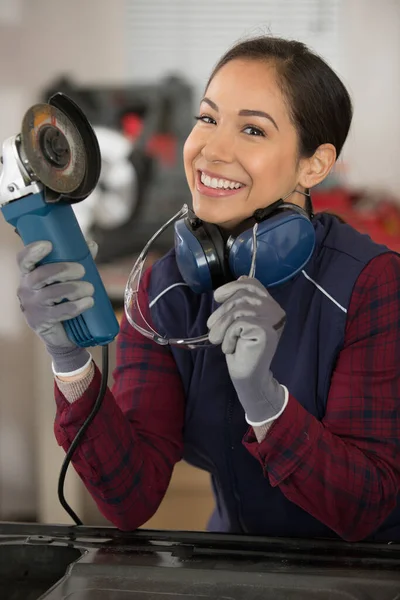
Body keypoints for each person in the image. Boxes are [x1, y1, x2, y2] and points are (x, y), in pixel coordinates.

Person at [16, 36, 400, 542]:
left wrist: (265, 402)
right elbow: (129, 499)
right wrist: (69, 362)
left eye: (252, 129)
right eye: (207, 118)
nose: (212, 150)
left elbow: (366, 507)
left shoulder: (372, 283)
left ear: (315, 164)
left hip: (364, 572)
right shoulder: (162, 286)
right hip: (233, 560)